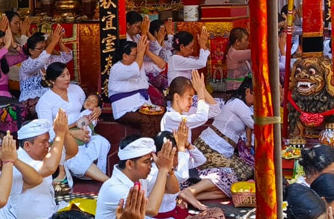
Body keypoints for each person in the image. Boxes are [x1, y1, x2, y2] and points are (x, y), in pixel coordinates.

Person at [164, 72, 231, 207]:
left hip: (189, 168)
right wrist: (200, 92)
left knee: (228, 186)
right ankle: (185, 193)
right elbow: (201, 117)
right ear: (176, 97)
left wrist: (203, 90)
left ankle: (186, 194)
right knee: (220, 177)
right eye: (189, 98)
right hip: (176, 174)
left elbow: (215, 111)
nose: (191, 102)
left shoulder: (185, 114)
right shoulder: (170, 117)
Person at [36, 62, 109, 183]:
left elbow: (86, 108)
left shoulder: (77, 90)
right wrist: (72, 134)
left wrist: (97, 109)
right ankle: (105, 180)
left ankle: (90, 171)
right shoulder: (45, 102)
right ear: (52, 81)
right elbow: (49, 132)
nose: (67, 78)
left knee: (103, 142)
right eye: (62, 76)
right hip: (62, 139)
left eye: (68, 74)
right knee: (74, 154)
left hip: (84, 132)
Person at [10, 115, 76, 219]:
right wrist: (59, 135)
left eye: (48, 140)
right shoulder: (18, 160)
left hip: (49, 217)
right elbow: (49, 168)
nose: (47, 145)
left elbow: (72, 152)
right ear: (27, 145)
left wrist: (65, 132)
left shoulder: (43, 153)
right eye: (43, 142)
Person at [194, 76, 255, 180]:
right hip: (210, 147)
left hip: (222, 150)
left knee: (248, 169)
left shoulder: (240, 104)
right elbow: (254, 124)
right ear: (248, 91)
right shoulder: (237, 103)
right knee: (243, 173)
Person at [108, 39, 165, 138]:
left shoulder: (139, 64)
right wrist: (141, 53)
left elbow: (162, 65)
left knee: (161, 116)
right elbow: (134, 71)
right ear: (125, 56)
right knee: (146, 120)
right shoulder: (117, 68)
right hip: (125, 109)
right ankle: (146, 151)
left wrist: (147, 52)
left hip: (143, 104)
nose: (140, 57)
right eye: (136, 54)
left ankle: (158, 147)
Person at [18, 28, 72, 114]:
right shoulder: (26, 65)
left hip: (50, 98)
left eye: (44, 48)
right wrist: (53, 42)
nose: (43, 51)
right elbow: (41, 61)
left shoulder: (48, 60)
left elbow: (67, 57)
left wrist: (59, 42)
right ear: (31, 51)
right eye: (40, 49)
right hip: (32, 101)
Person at [126, 12, 169, 93]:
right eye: (138, 27)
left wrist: (146, 31)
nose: (139, 30)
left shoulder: (137, 36)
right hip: (133, 63)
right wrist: (144, 32)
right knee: (157, 65)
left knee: (161, 64)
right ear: (128, 25)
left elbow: (155, 46)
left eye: (141, 28)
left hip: (142, 62)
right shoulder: (125, 38)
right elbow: (141, 50)